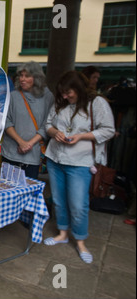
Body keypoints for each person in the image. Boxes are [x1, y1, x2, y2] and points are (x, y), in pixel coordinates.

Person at [43, 70, 115, 264]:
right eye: (63, 93)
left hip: (80, 161)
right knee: (58, 199)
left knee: (78, 204)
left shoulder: (97, 103)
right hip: (55, 158)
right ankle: (63, 233)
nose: (65, 96)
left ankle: (81, 241)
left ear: (79, 89)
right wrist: (54, 132)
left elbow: (109, 130)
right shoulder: (60, 102)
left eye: (69, 93)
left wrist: (81, 136)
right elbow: (47, 124)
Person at [1, 61, 54, 179]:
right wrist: (21, 142)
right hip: (10, 153)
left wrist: (29, 144)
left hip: (33, 155)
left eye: (27, 76)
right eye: (21, 75)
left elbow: (48, 123)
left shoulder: (48, 96)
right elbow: (6, 121)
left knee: (28, 191)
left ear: (37, 78)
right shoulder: (13, 95)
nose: (22, 79)